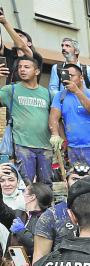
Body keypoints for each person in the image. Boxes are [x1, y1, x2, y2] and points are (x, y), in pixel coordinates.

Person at [0, 56, 52, 184]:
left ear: (37, 71)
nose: (22, 70)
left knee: (46, 183)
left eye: (26, 67)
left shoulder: (47, 93)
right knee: (26, 183)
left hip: (46, 146)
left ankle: (45, 205)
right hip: (23, 145)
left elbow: (55, 118)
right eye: (20, 67)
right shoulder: (11, 90)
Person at [48, 64, 90, 173]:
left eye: (71, 75)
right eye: (65, 75)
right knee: (76, 180)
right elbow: (54, 117)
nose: (67, 78)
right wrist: (55, 135)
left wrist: (77, 92)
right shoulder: (60, 96)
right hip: (73, 148)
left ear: (81, 78)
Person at [32, 162, 90, 263]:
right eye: (75, 179)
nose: (80, 183)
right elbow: (39, 259)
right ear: (66, 182)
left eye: (86, 179)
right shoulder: (52, 215)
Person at [9, 182, 51, 257]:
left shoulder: (46, 220)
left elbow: (41, 248)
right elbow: (3, 211)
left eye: (24, 191)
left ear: (32, 197)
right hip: (14, 263)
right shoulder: (20, 214)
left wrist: (22, 232)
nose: (20, 194)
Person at [0, 13, 41, 85]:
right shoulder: (9, 53)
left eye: (20, 36)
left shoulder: (34, 57)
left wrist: (5, 22)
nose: (16, 38)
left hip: (24, 93)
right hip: (8, 92)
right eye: (15, 36)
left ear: (29, 43)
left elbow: (22, 46)